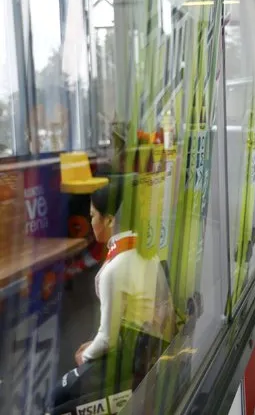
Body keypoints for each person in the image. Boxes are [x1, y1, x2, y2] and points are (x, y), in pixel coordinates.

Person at [50, 177, 175, 413]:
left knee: (58, 397)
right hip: (153, 354)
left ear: (109, 220)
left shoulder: (114, 269)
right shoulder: (146, 253)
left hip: (136, 367)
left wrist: (86, 354)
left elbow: (108, 339)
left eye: (93, 216)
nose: (90, 222)